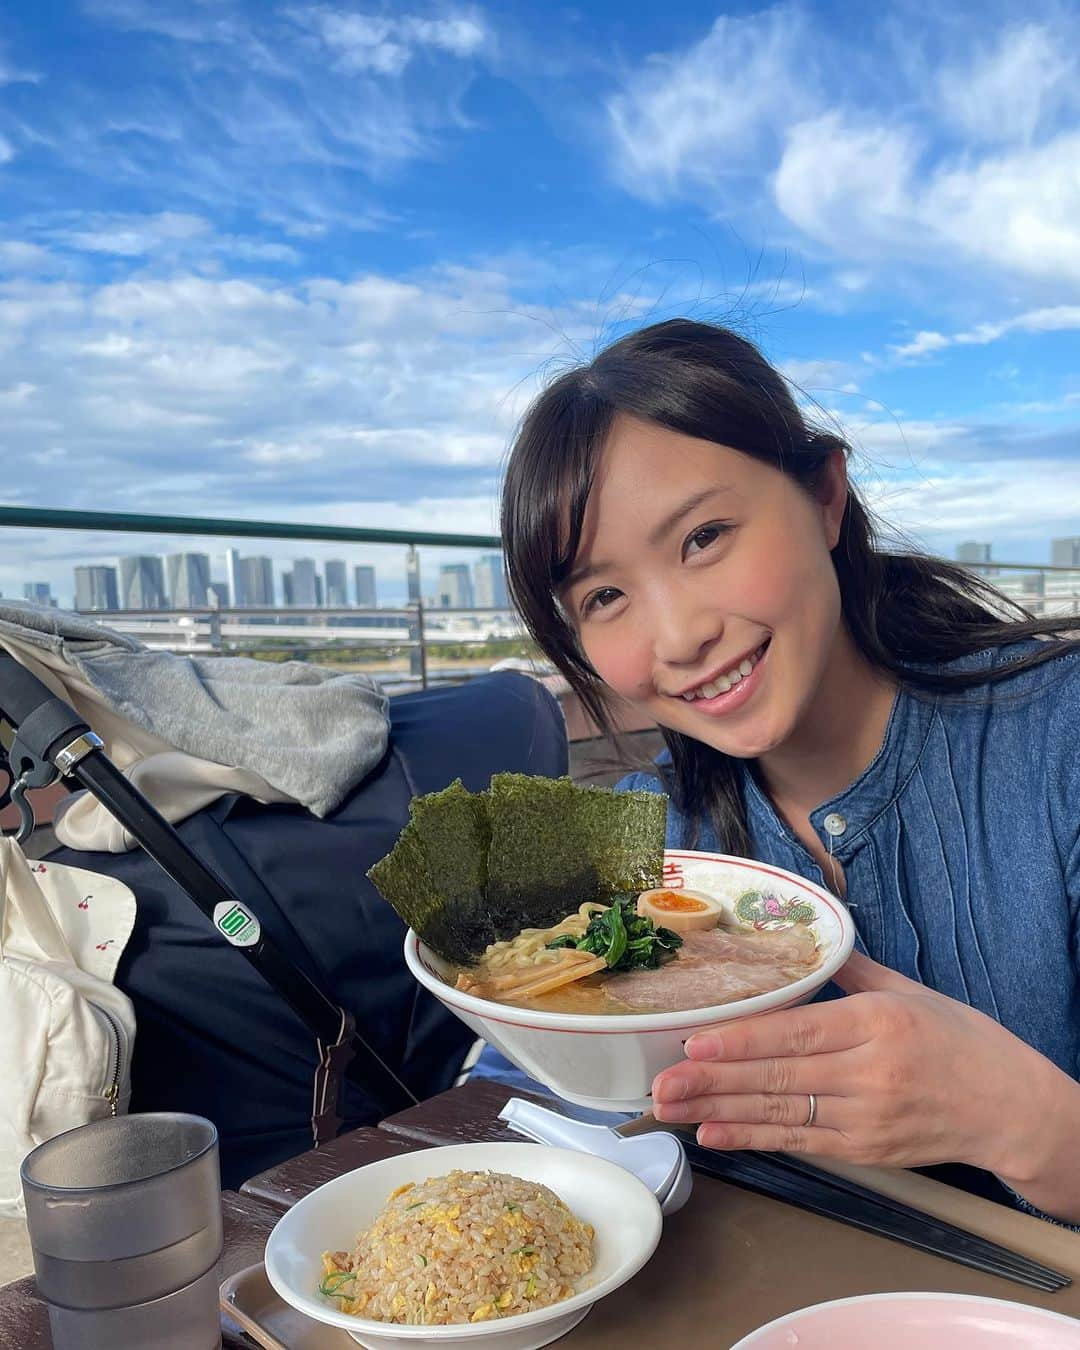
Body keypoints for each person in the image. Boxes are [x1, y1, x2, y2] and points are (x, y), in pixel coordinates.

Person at [498, 318, 1080, 1223]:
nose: (680, 635)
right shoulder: (642, 843)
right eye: (605, 596)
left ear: (825, 497)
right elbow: (521, 1091)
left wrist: (1020, 1119)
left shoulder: (1061, 742)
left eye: (704, 537)